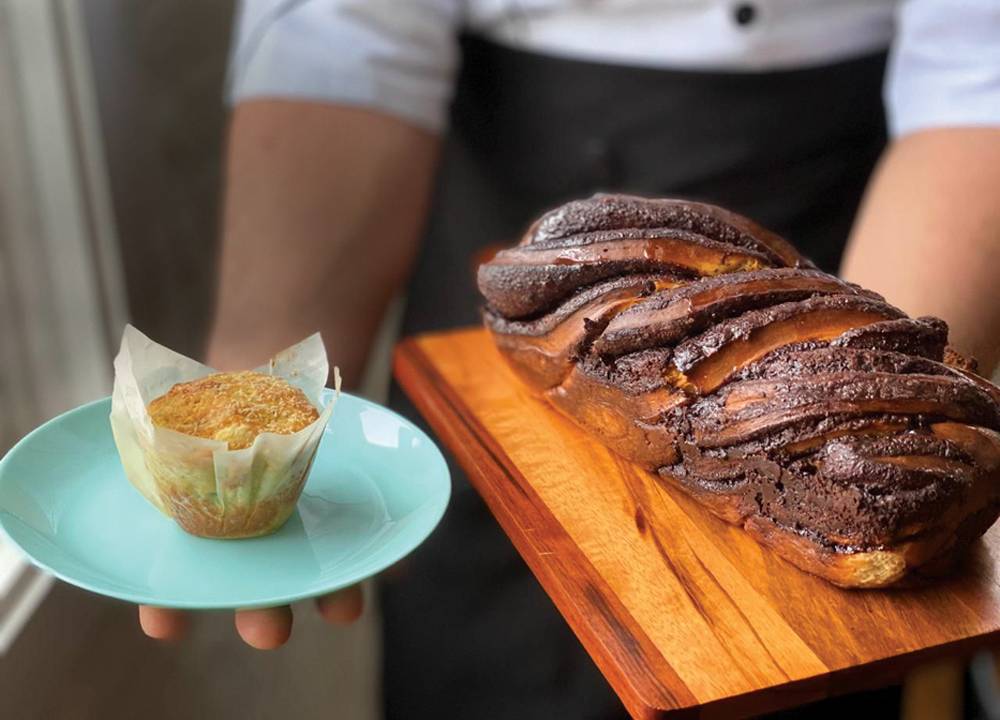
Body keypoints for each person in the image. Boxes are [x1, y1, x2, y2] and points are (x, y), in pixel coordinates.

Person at [138, 1, 1000, 717]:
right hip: (529, 288)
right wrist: (255, 414)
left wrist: (861, 412)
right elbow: (346, 35)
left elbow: (978, 77)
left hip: (852, 214)